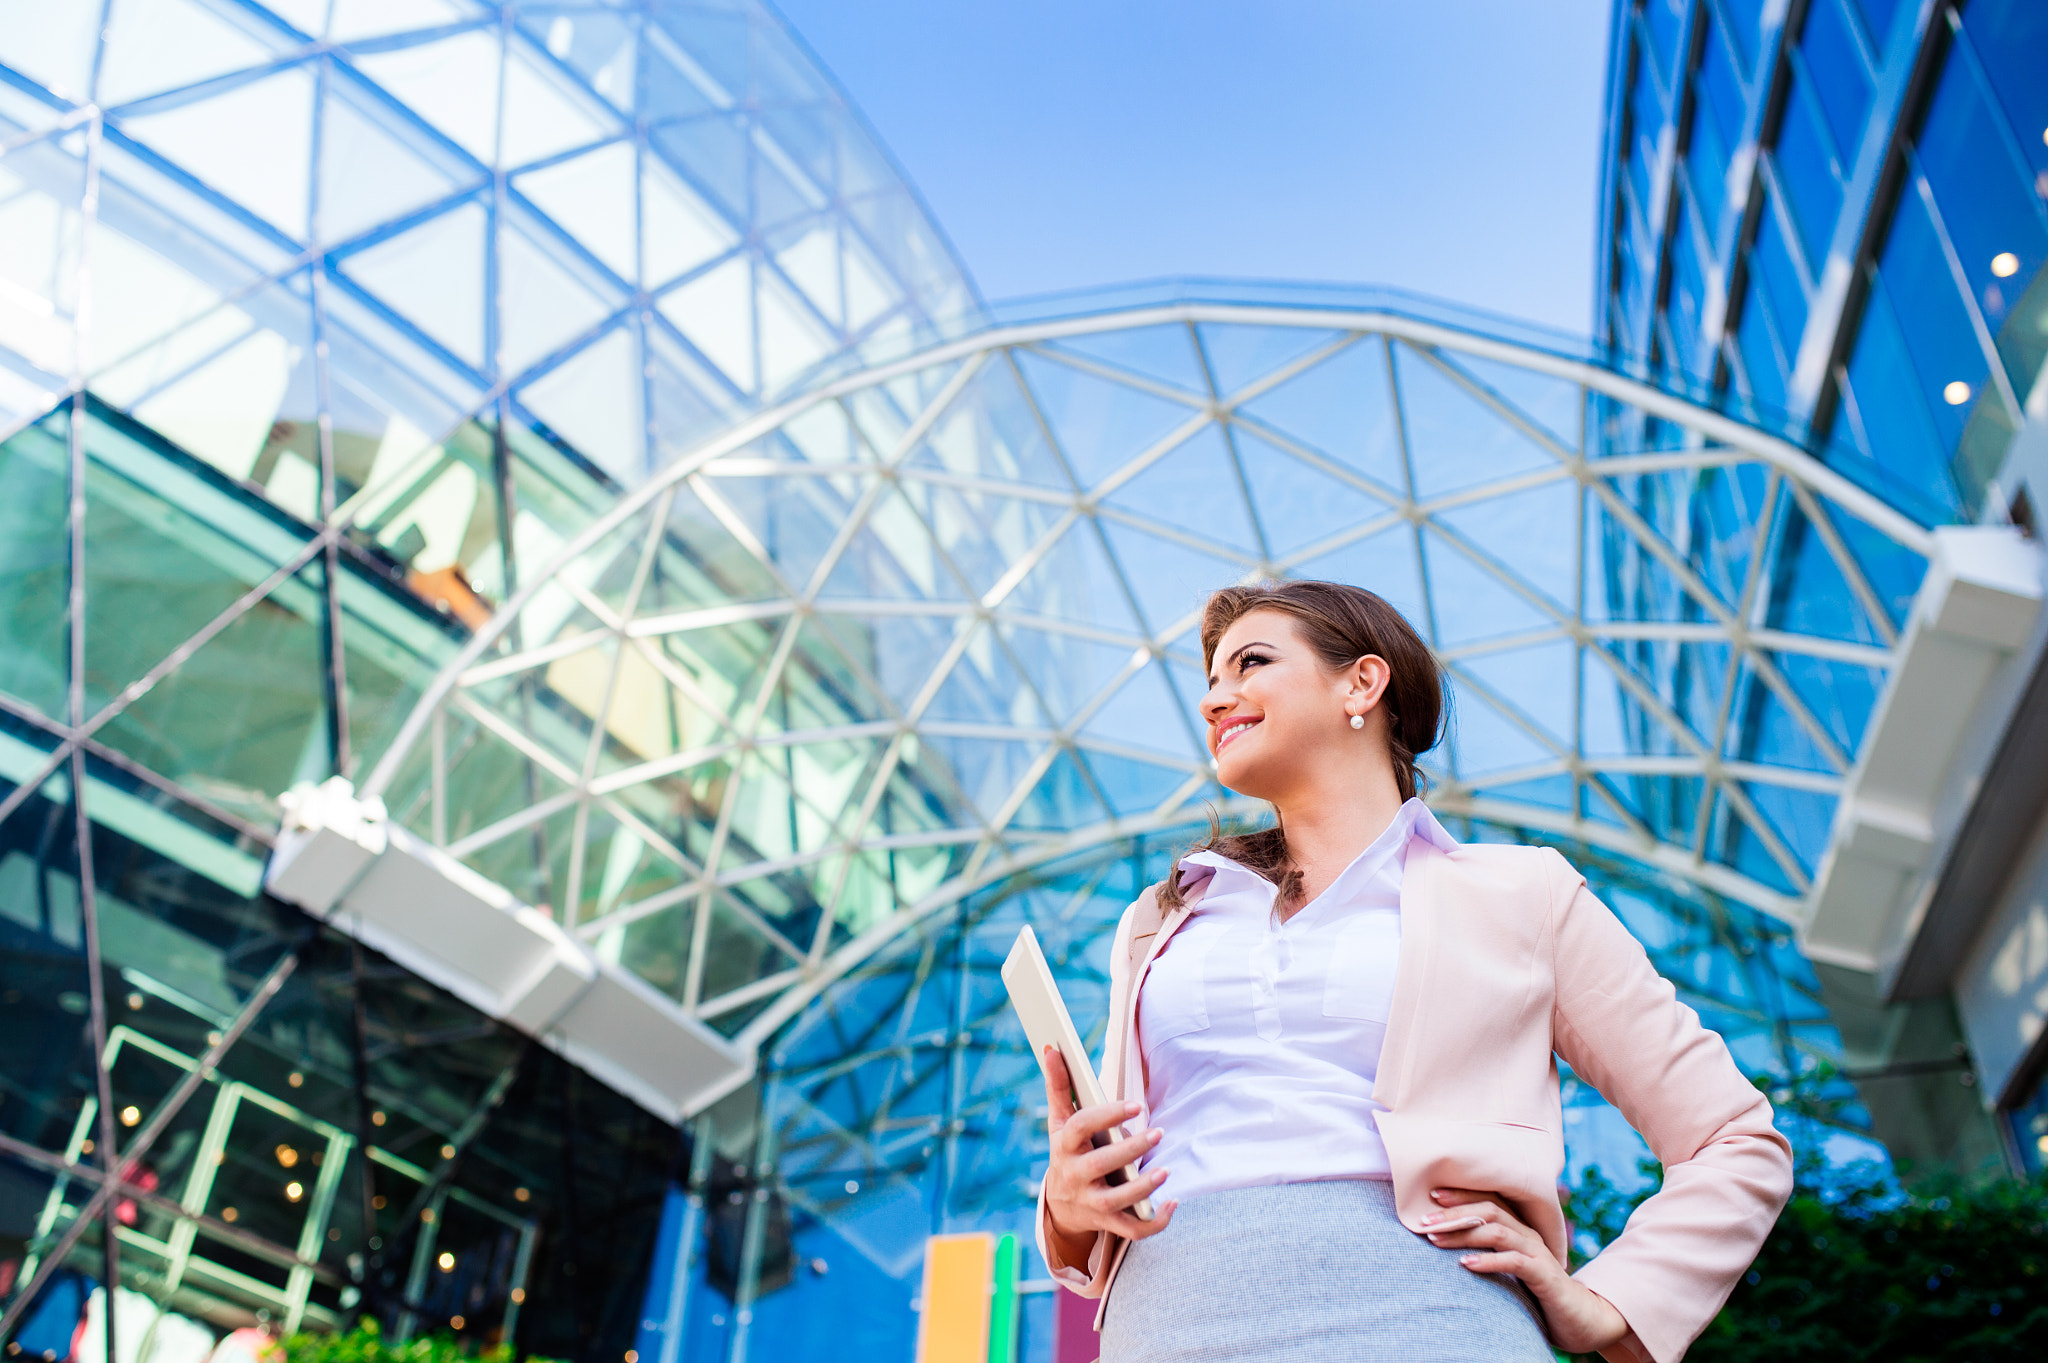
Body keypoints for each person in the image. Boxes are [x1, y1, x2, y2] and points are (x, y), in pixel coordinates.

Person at [1034, 581, 1792, 1363]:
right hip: (1168, 1326)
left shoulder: (1520, 895)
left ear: (1362, 682)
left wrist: (1610, 1301)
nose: (1215, 700)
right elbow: (1103, 1199)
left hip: (1434, 1321)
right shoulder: (1162, 922)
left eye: (1249, 663)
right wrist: (1067, 1201)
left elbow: (1732, 1136)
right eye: (1210, 682)